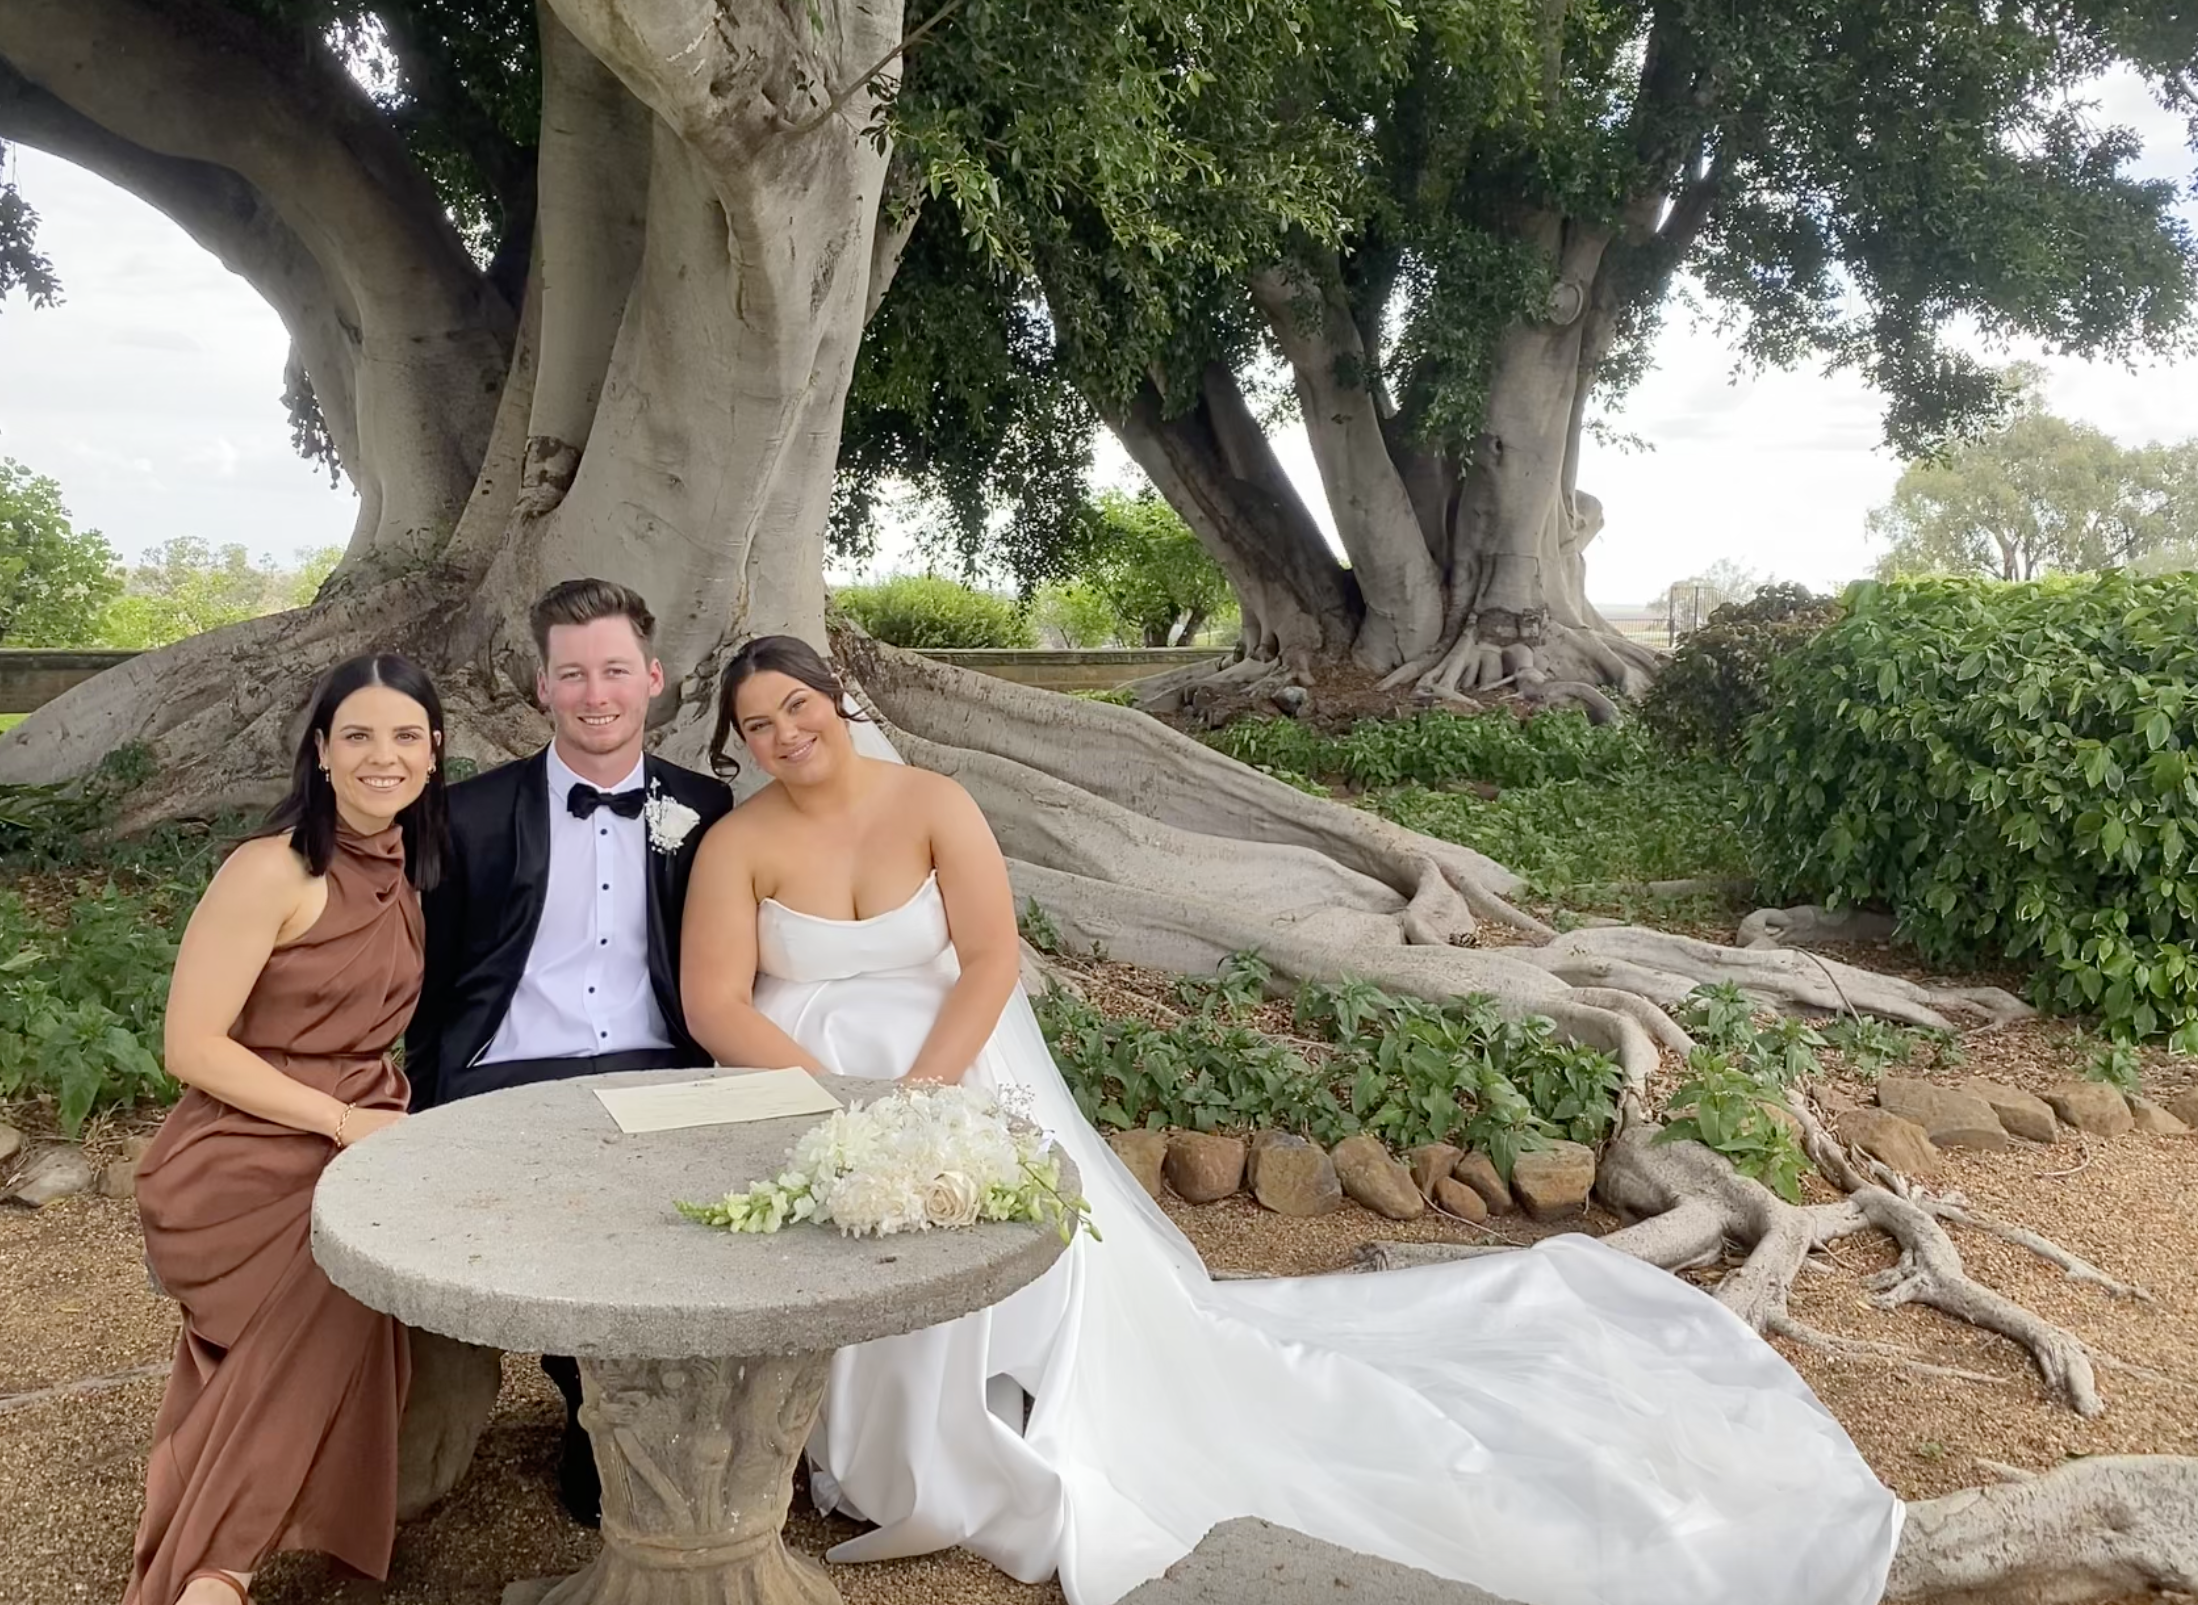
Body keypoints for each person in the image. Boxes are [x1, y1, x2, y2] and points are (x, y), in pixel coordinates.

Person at [679, 634, 1906, 1605]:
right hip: (802, 1088)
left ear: (836, 697)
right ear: (738, 745)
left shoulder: (933, 799)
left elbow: (991, 957)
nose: (785, 733)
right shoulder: (737, 842)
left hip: (953, 1070)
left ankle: (980, 1423)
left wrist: (920, 1094)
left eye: (799, 705)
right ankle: (838, 1439)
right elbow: (713, 997)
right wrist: (840, 1108)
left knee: (995, 1255)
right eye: (757, 724)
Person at [403, 577, 731, 1525]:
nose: (597, 694)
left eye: (616, 671)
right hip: (508, 1071)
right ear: (541, 688)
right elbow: (430, 988)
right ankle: (581, 1403)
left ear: (655, 680)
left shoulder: (706, 809)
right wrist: (427, 1099)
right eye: (574, 673)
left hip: (659, 1068)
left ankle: (631, 1418)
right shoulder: (467, 817)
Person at [127, 654, 447, 1605]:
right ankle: (215, 1572)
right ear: (320, 752)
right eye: (357, 735)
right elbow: (190, 1046)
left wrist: (370, 1121)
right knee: (344, 1266)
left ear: (434, 752)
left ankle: (224, 1542)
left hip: (353, 1133)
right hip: (240, 1152)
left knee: (349, 1273)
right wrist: (344, 1120)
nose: (380, 756)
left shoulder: (407, 867)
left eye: (402, 736)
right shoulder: (272, 868)